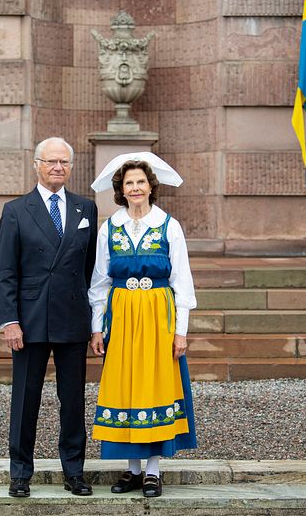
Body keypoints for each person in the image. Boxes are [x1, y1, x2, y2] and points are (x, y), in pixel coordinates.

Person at [89, 152, 197, 498]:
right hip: (120, 316)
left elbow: (183, 281)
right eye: (128, 183)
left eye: (141, 182)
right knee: (125, 385)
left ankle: (152, 471)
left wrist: (181, 330)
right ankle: (132, 470)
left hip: (157, 316)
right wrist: (96, 326)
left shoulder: (169, 225)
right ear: (120, 189)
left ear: (152, 186)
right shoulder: (111, 227)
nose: (135, 188)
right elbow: (100, 280)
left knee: (155, 386)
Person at [0, 137, 98, 499]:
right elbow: (6, 271)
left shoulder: (86, 208)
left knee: (73, 402)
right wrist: (9, 320)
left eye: (64, 162)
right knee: (25, 400)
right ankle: (20, 473)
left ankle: (74, 472)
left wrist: (92, 319)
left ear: (71, 167)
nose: (58, 167)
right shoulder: (16, 210)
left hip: (72, 318)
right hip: (29, 320)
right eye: (51, 161)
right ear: (36, 164)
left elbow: (89, 270)